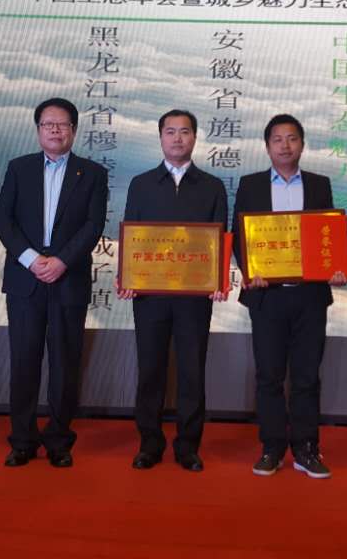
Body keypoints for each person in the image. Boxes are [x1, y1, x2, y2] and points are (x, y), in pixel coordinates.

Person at [0, 97, 107, 468]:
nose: (55, 130)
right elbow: (4, 220)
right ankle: (22, 440)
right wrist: (30, 259)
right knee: (24, 362)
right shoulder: (19, 168)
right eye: (48, 124)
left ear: (73, 130)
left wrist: (61, 261)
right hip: (25, 280)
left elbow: (93, 225)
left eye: (62, 124)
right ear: (38, 129)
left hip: (68, 278)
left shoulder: (92, 173)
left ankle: (59, 440)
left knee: (65, 363)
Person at [232, 114, 346, 479]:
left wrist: (335, 268)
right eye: (278, 139)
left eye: (292, 138)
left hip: (310, 297)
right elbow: (239, 237)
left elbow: (327, 236)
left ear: (302, 144)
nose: (285, 145)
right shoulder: (250, 185)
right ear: (267, 146)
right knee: (268, 375)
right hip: (267, 297)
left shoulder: (319, 185)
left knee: (307, 376)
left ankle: (306, 448)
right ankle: (271, 448)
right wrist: (250, 270)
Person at [117, 110, 228, 472]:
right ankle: (149, 444)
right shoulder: (141, 184)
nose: (177, 138)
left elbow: (220, 239)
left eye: (184, 132)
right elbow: (132, 233)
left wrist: (218, 281)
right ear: (160, 137)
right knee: (150, 369)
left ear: (195, 137)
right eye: (170, 132)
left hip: (195, 297)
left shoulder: (212, 186)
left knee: (192, 371)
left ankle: (188, 446)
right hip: (150, 296)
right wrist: (127, 277)